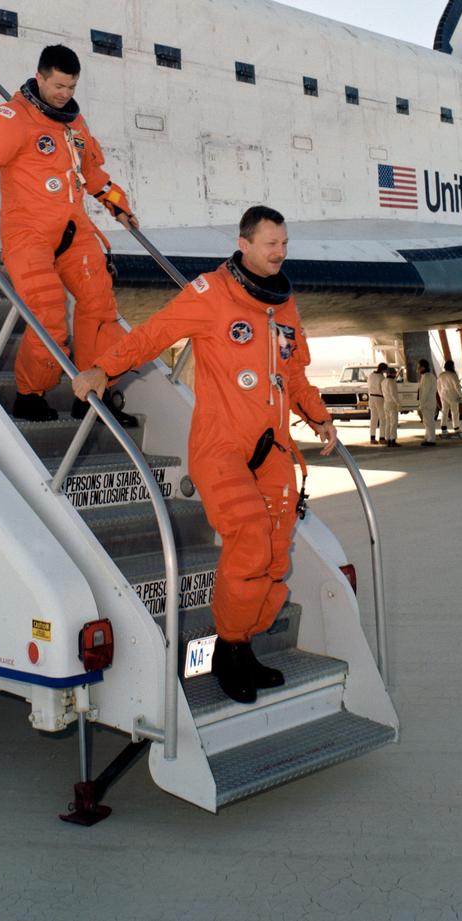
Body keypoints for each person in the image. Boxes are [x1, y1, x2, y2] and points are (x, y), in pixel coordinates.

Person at [70, 205, 337, 704]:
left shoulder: (284, 304)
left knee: (275, 555)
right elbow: (154, 333)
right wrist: (104, 369)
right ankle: (228, 650)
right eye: (270, 244)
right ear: (244, 244)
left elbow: (293, 374)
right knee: (249, 538)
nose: (280, 252)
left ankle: (243, 645)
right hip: (221, 447)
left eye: (284, 243)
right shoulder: (211, 293)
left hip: (273, 447)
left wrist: (319, 416)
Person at [0, 44, 138, 425]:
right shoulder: (13, 117)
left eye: (71, 87)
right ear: (40, 78)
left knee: (100, 306)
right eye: (58, 86)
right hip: (28, 233)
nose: (65, 94)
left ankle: (93, 395)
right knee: (48, 314)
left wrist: (118, 204)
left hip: (73, 230)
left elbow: (92, 173)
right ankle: (30, 395)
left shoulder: (74, 123)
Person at [437, 359, 462, 435]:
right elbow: (457, 386)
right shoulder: (453, 375)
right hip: (453, 396)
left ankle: (443, 428)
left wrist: (440, 395)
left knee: (444, 412)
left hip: (443, 395)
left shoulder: (441, 375)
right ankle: (456, 428)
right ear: (452, 366)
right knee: (455, 412)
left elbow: (438, 387)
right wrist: (461, 396)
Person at [417, 359, 438, 446]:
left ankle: (431, 439)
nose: (418, 369)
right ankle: (428, 437)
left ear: (423, 367)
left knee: (429, 422)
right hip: (428, 402)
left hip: (427, 403)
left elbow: (425, 392)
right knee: (427, 422)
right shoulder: (427, 376)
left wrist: (421, 404)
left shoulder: (427, 377)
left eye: (419, 367)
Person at [366, 360, 386, 444]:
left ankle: (372, 437)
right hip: (379, 398)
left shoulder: (370, 375)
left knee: (373, 418)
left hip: (371, 397)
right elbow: (384, 389)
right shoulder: (382, 377)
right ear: (383, 370)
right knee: (382, 418)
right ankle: (382, 437)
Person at [381, 367, 400, 446]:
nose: (395, 375)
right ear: (391, 374)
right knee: (394, 422)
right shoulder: (392, 382)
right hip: (392, 404)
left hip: (386, 403)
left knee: (388, 422)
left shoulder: (383, 381)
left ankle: (388, 439)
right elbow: (393, 394)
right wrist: (398, 404)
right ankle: (393, 439)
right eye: (394, 373)